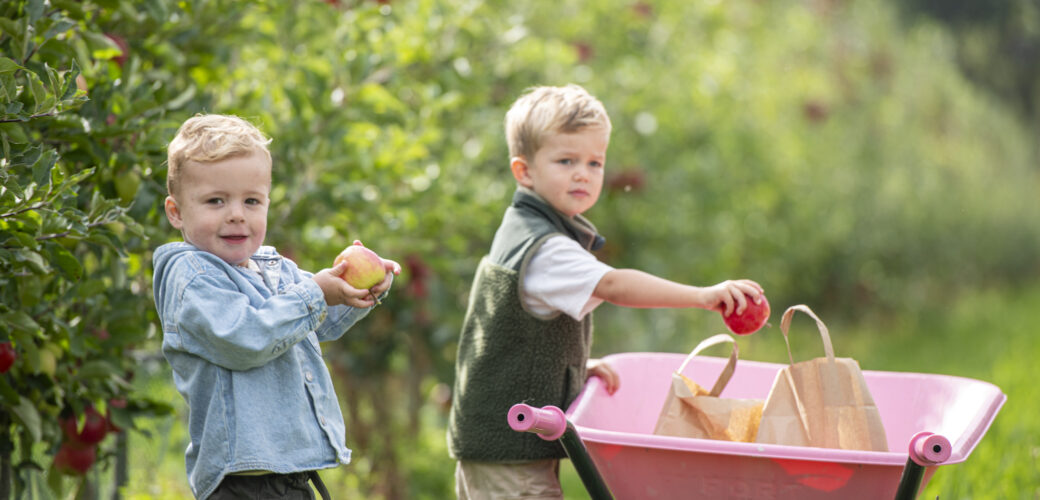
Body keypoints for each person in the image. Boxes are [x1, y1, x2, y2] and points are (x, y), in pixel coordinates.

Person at [447, 84, 765, 499]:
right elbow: (613, 284)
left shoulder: (525, 227)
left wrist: (572, 367)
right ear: (524, 171)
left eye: (594, 162)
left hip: (499, 441)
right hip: (508, 450)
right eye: (566, 160)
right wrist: (704, 294)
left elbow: (513, 335)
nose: (583, 173)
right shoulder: (547, 248)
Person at [152, 114, 399, 499]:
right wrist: (315, 292)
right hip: (241, 483)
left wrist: (359, 287)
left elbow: (317, 323)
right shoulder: (192, 277)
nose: (237, 213)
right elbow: (247, 337)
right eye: (216, 201)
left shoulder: (273, 267)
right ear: (176, 212)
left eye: (251, 201)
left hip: (289, 476)